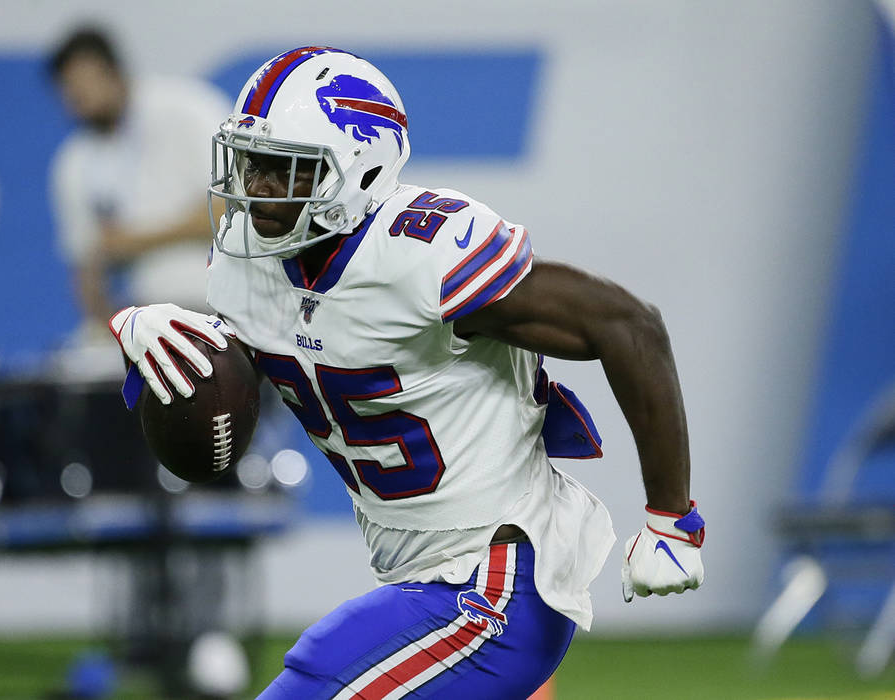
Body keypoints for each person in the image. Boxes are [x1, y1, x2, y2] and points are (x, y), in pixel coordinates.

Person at [110, 47, 705, 698]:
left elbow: (628, 324)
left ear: (356, 174)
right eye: (251, 163)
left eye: (284, 171)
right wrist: (165, 345)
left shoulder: (422, 253)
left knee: (318, 674)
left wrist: (672, 517)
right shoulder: (246, 266)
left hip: (494, 581)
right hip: (420, 579)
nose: (254, 189)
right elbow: (215, 437)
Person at [48, 26, 229, 337]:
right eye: (70, 90)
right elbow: (86, 268)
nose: (80, 97)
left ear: (114, 71)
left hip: (221, 307)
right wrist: (109, 330)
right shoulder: (74, 162)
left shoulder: (186, 108)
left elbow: (232, 209)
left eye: (86, 82)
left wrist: (135, 241)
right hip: (146, 318)